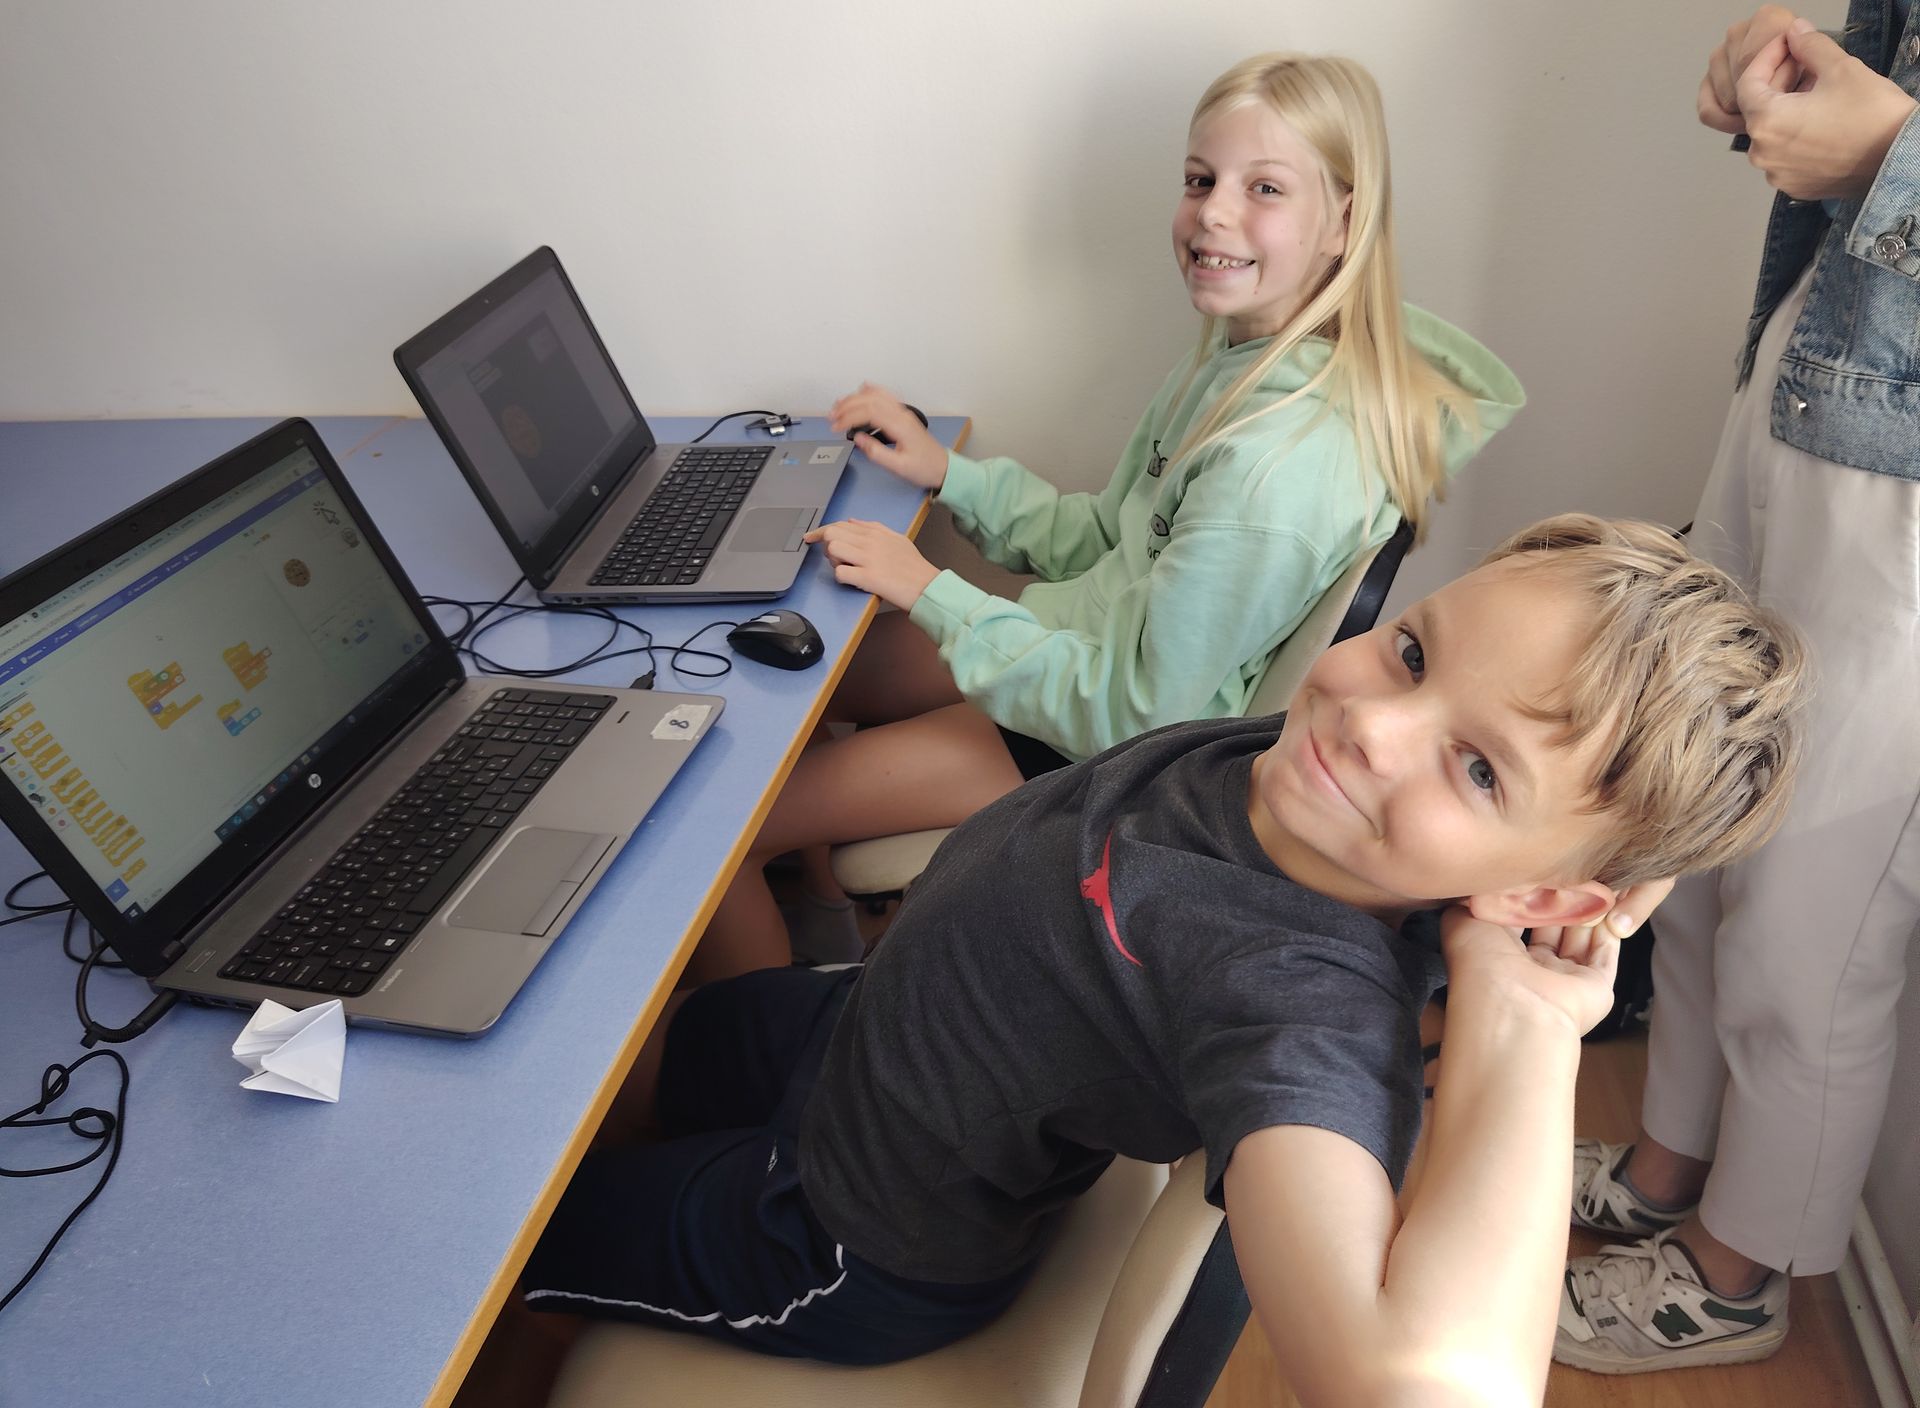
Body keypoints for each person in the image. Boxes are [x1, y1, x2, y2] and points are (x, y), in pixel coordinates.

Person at [513, 515, 1806, 1406]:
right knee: (615, 1074)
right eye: (1413, 651)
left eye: (1477, 770)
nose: (1372, 721)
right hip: (866, 1038)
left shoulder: (1293, 993)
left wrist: (1526, 1016)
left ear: (1537, 889)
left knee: (510, 1237)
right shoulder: (1313, 782)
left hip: (839, 1235)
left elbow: (1423, 1389)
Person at [691, 51, 1526, 981]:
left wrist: (930, 590)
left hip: (1099, 746)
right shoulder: (1243, 364)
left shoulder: (1277, 469)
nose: (1214, 213)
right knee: (800, 672)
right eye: (1201, 180)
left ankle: (773, 1041)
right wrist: (949, 474)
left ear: (1343, 222)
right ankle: (824, 935)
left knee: (716, 826)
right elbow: (1109, 539)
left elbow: (1142, 710)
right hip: (1079, 659)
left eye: (1263, 188)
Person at [1554, 0, 1920, 1375]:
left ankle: (1736, 1271)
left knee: (1815, 915)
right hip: (1817, 368)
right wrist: (1802, 91)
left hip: (1904, 479)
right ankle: (1670, 1164)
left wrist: (1887, 153)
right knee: (1696, 812)